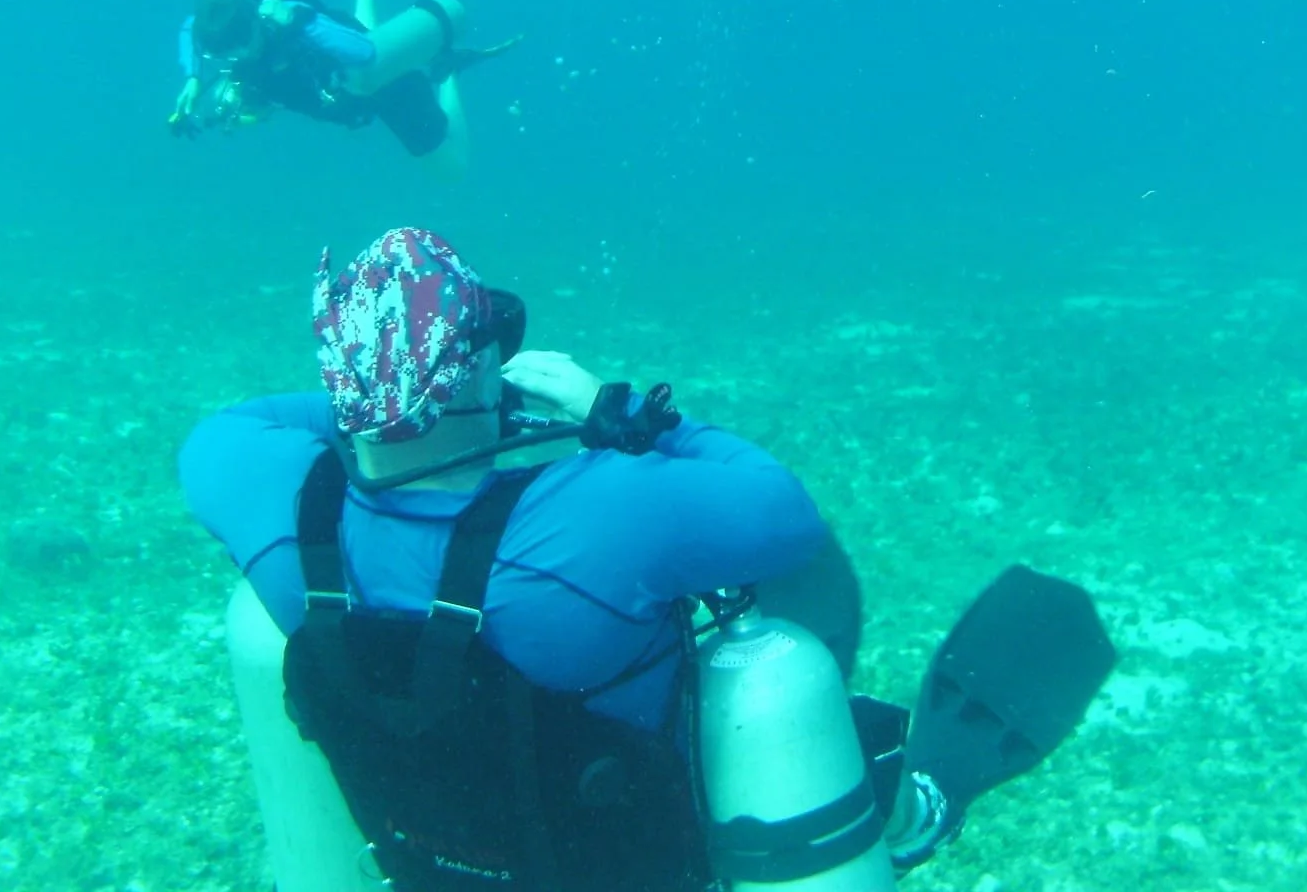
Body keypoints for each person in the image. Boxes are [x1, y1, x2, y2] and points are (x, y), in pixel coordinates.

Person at [179, 229, 1110, 892]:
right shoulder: (601, 511)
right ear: (471, 367)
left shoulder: (262, 491)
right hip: (640, 858)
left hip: (440, 854)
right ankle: (908, 817)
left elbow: (247, 422)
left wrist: (391, 397)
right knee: (780, 663)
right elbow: (784, 514)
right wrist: (616, 413)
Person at [169, 0, 517, 177]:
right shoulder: (222, 27)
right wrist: (193, 76)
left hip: (381, 84)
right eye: (224, 52)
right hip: (346, 70)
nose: (240, 55)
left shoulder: (289, 19)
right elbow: (189, 26)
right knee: (360, 41)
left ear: (255, 20)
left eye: (243, 42)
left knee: (451, 169)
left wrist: (297, 20)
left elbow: (364, 53)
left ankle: (446, 73)